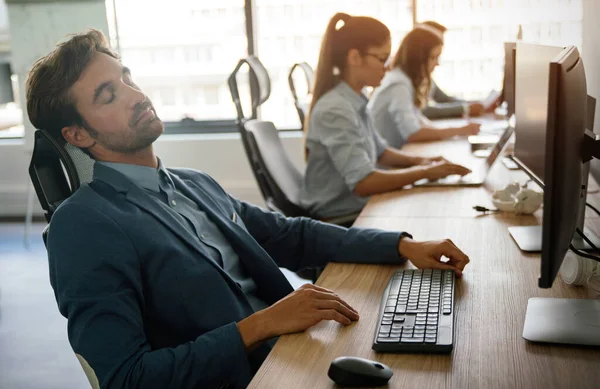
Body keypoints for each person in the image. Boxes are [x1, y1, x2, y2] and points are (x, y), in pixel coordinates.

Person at [26, 29, 470, 389]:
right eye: (107, 95)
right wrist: (259, 326)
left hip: (291, 353)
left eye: (126, 77)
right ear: (79, 135)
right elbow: (126, 378)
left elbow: (291, 236)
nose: (135, 95)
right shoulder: (83, 225)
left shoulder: (191, 182)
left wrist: (403, 245)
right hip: (250, 373)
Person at [299, 13, 471, 220]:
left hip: (358, 207)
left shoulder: (355, 98)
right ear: (354, 58)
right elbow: (364, 183)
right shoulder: (336, 109)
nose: (388, 66)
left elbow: (381, 152)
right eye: (382, 58)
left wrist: (423, 161)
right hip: (341, 219)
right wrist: (425, 173)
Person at [369, 26, 481, 149]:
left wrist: (459, 129)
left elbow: (419, 122)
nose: (437, 63)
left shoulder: (404, 80)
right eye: (434, 58)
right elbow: (412, 133)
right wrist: (459, 131)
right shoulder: (398, 86)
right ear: (418, 58)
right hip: (386, 164)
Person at [419, 20, 496, 119]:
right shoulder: (410, 77)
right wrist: (465, 109)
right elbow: (423, 110)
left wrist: (475, 104)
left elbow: (443, 98)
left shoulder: (426, 75)